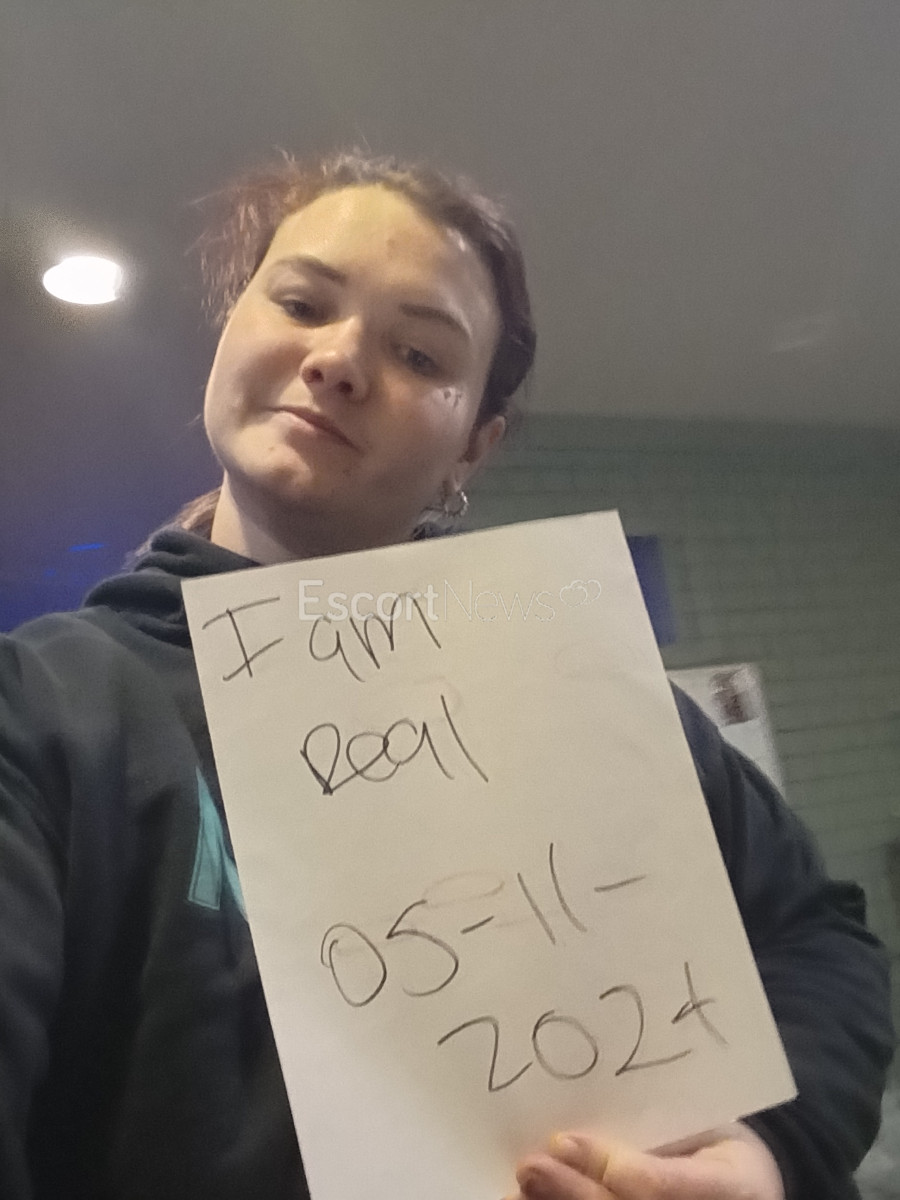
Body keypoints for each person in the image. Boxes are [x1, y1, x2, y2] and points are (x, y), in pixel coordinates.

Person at [0, 150, 892, 1200]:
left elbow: (817, 937)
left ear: (473, 446)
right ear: (231, 327)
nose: (338, 359)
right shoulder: (43, 710)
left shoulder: (582, 683)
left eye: (420, 354)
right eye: (300, 302)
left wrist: (772, 1152)